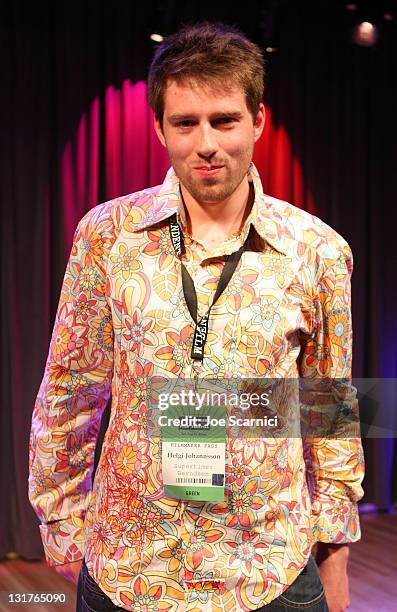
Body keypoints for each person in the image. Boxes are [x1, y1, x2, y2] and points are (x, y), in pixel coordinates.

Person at [29, 22, 364, 611]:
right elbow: (70, 388)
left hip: (268, 569)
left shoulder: (319, 251)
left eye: (225, 120)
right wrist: (63, 524)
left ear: (257, 121)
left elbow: (329, 408)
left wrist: (334, 559)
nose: (206, 143)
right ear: (160, 128)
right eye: (186, 123)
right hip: (131, 569)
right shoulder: (107, 236)